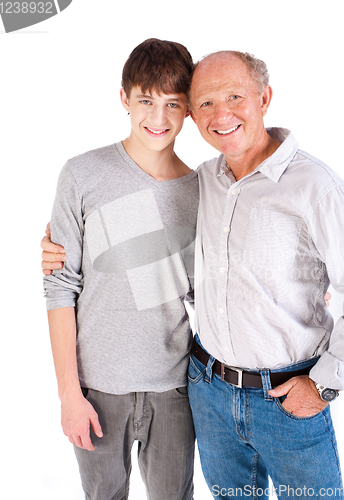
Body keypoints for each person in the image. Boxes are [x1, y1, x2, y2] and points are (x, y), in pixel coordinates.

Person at [43, 49, 344, 500]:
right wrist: (58, 249)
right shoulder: (207, 180)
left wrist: (325, 384)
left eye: (234, 97)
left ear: (264, 99)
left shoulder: (298, 185)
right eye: (206, 102)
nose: (220, 114)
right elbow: (127, 257)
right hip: (206, 391)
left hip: (264, 394)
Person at [43, 38, 198, 500]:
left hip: (174, 387)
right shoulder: (82, 174)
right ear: (124, 99)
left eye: (173, 103)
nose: (159, 118)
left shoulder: (202, 190)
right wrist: (69, 394)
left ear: (189, 109)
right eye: (146, 101)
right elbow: (59, 288)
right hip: (95, 388)